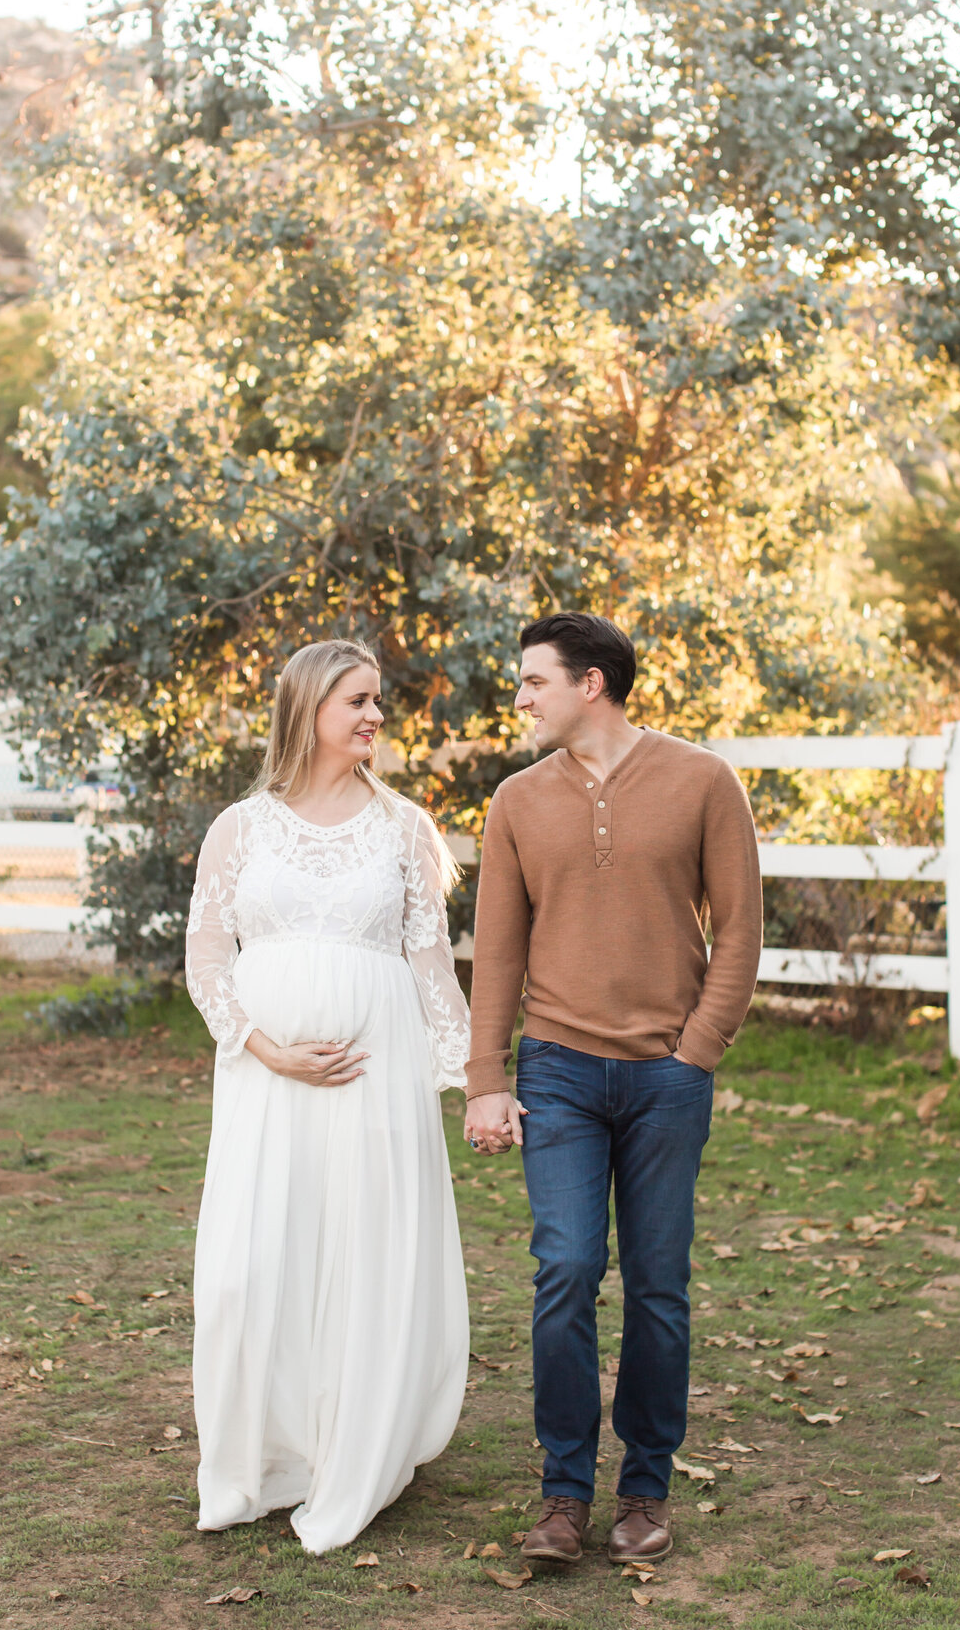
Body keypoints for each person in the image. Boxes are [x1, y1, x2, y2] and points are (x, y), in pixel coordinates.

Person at [464, 613, 761, 1566]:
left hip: (666, 1079)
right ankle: (563, 1494)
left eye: (533, 681)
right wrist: (485, 1079)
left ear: (592, 684)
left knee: (659, 1287)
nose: (520, 698)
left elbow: (742, 932)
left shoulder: (703, 781)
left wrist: (697, 1051)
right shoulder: (515, 801)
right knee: (565, 1271)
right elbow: (498, 952)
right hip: (557, 1071)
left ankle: (644, 1490)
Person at [185, 639, 470, 1554]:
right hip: (265, 1084)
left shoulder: (403, 828)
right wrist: (265, 1048)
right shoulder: (240, 826)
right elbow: (205, 955)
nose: (374, 717)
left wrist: (475, 1079)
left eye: (377, 701)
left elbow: (432, 969)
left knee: (361, 1256)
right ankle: (261, 1458)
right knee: (250, 1267)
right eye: (357, 700)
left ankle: (353, 1448)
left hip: (373, 1077)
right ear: (309, 707)